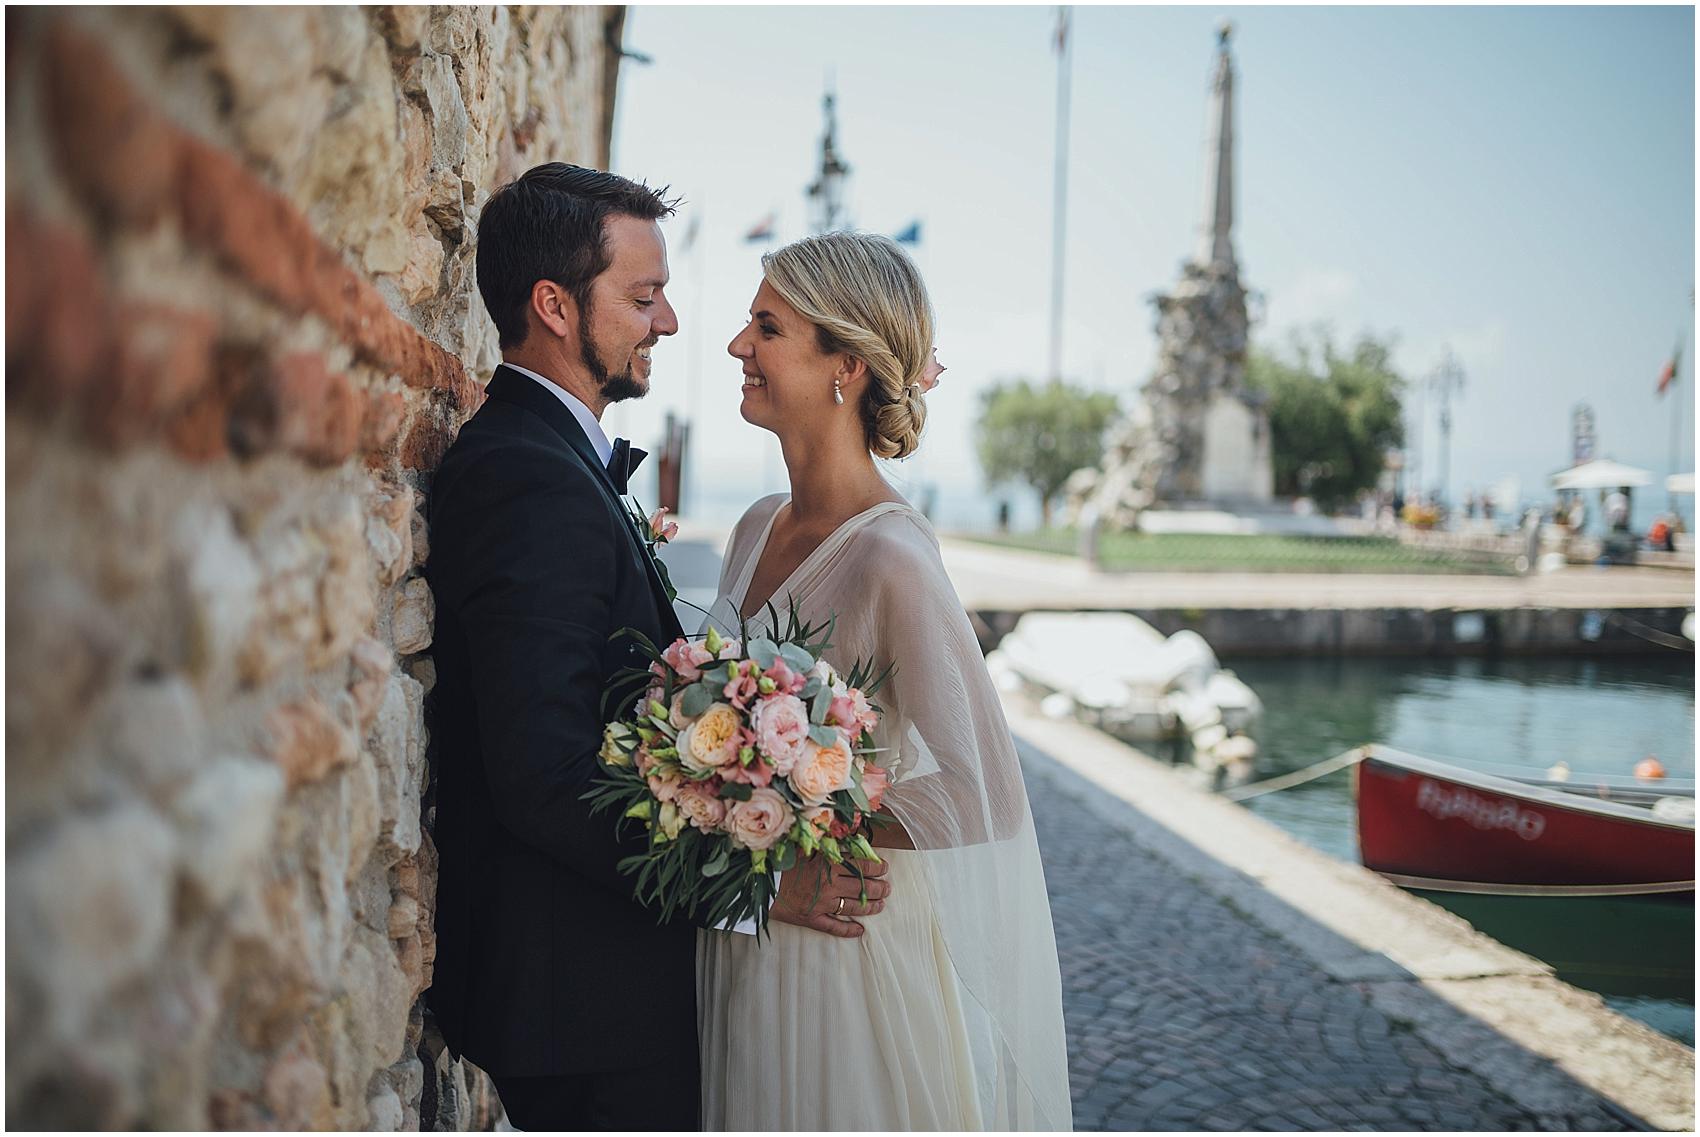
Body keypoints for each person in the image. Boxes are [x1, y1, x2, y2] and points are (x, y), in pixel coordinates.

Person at [424, 165, 887, 1132]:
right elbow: (543, 775)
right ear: (553, 306)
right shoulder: (526, 475)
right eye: (643, 297)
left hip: (594, 993)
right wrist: (758, 879)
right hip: (585, 1004)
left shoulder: (553, 460)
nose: (670, 323)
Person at [697, 232, 1073, 1130]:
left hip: (837, 958)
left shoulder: (893, 558)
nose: (737, 346)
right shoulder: (752, 528)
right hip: (739, 934)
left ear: (847, 367)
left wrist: (813, 813)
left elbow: (982, 791)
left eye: (767, 327)